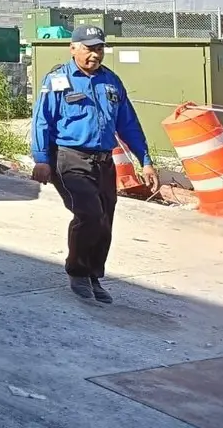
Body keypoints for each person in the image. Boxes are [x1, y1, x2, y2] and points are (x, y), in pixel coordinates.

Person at [31, 25, 158, 304]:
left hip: (103, 162)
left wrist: (145, 160)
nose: (95, 54)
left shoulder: (111, 82)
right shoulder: (57, 80)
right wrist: (41, 160)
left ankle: (93, 275)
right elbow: (42, 121)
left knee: (104, 220)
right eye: (89, 48)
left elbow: (128, 124)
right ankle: (77, 272)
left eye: (99, 48)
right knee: (88, 213)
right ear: (73, 48)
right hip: (69, 158)